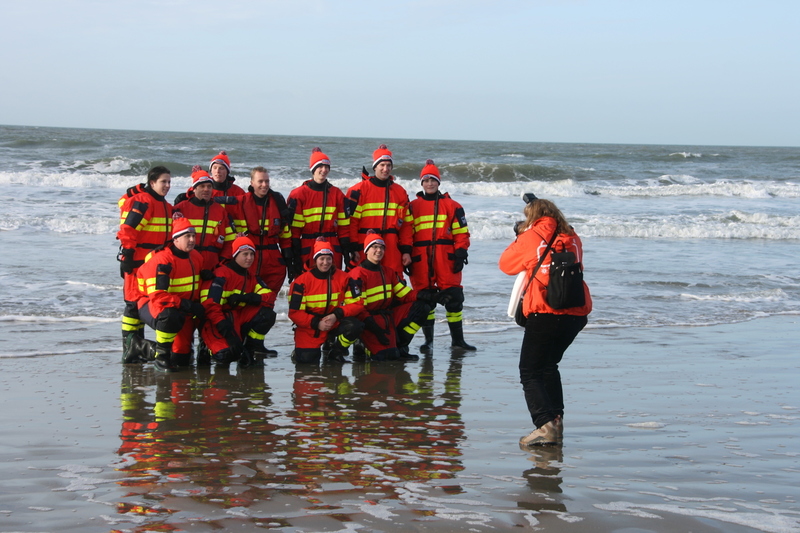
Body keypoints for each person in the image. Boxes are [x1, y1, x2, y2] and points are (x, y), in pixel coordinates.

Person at [498, 196, 592, 446]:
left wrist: (520, 236)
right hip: (576, 313)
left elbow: (506, 264)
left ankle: (544, 424)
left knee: (529, 371)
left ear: (532, 217)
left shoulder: (531, 237)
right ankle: (556, 421)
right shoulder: (573, 237)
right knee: (549, 365)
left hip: (545, 311)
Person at [408, 160, 475, 352]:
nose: (429, 183)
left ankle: (458, 341)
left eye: (433, 180)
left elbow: (461, 233)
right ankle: (428, 341)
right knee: (425, 300)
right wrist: (406, 255)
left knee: (454, 299)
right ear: (421, 183)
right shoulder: (412, 206)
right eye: (426, 180)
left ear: (439, 182)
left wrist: (461, 252)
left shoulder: (453, 206)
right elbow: (407, 234)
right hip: (421, 259)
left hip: (446, 258)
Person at [348, 232, 434, 361]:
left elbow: (404, 294)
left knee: (422, 307)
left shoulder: (388, 271)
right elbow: (357, 309)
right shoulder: (357, 274)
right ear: (366, 250)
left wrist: (430, 296)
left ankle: (401, 346)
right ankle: (362, 346)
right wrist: (376, 330)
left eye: (381, 247)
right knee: (385, 358)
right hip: (368, 321)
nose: (379, 250)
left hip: (386, 317)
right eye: (374, 247)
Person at [117, 166, 173, 363]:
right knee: (133, 304)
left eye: (169, 182)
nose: (167, 185)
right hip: (137, 263)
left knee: (142, 303)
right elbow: (128, 229)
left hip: (153, 265)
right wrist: (127, 255)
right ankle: (129, 349)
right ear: (152, 183)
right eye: (163, 182)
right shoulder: (144, 201)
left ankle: (137, 349)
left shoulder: (166, 206)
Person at [136, 217, 205, 372]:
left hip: (183, 309)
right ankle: (157, 356)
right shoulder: (162, 260)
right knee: (170, 317)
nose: (192, 240)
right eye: (187, 236)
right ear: (176, 239)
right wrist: (186, 304)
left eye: (193, 236)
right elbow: (158, 296)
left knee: (181, 359)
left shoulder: (196, 257)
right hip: (154, 305)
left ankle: (162, 352)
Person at [199, 236, 278, 368]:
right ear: (235, 255)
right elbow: (210, 308)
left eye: (252, 254)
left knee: (267, 314)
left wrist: (246, 298)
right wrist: (229, 334)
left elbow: (270, 297)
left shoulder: (251, 276)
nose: (249, 258)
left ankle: (250, 349)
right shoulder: (221, 275)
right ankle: (205, 348)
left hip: (237, 316)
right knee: (226, 355)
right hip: (217, 320)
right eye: (245, 254)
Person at [288, 238, 365, 365]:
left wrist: (336, 315)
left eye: (328, 258)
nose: (325, 262)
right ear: (315, 260)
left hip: (334, 320)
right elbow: (294, 313)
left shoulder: (344, 278)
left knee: (355, 326)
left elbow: (357, 303)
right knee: (307, 362)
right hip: (311, 325)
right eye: (321, 259)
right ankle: (298, 352)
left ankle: (336, 351)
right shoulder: (301, 282)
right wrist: (317, 323)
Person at [345, 144, 413, 276]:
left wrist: (406, 250)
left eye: (389, 165)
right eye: (382, 165)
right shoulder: (359, 190)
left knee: (395, 280)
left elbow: (406, 225)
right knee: (363, 279)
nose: (385, 169)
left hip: (391, 246)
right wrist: (354, 247)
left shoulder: (400, 192)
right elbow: (351, 222)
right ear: (375, 166)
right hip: (365, 245)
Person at [286, 147, 351, 276]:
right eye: (320, 166)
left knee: (334, 282)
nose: (324, 170)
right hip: (308, 245)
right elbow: (294, 230)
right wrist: (295, 255)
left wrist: (346, 252)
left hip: (332, 244)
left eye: (327, 167)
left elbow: (344, 227)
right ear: (313, 169)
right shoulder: (298, 194)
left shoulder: (337, 194)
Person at [229, 166, 292, 294]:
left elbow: (285, 238)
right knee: (247, 299)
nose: (264, 185)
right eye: (260, 181)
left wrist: (290, 264)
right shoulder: (240, 203)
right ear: (252, 183)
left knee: (269, 300)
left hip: (274, 263)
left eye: (267, 181)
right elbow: (212, 200)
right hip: (249, 259)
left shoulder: (278, 203)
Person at [173, 166, 235, 279]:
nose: (206, 189)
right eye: (202, 186)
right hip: (187, 262)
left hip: (212, 266)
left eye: (209, 186)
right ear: (194, 189)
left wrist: (221, 262)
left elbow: (230, 241)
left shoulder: (221, 211)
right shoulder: (180, 209)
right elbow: (172, 239)